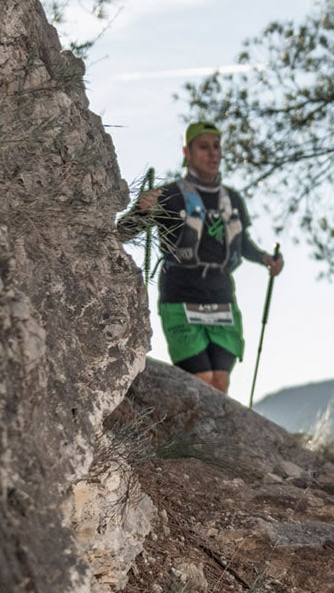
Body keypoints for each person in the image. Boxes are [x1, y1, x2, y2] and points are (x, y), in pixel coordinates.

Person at [117, 121, 284, 394]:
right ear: (187, 152)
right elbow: (124, 231)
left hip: (220, 296)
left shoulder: (232, 199)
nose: (212, 153)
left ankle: (211, 438)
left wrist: (267, 258)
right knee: (201, 380)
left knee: (220, 383)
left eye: (216, 147)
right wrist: (141, 209)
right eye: (203, 147)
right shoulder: (170, 195)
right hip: (181, 295)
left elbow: (242, 243)